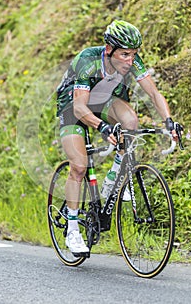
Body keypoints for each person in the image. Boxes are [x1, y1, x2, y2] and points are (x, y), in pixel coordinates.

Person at [56, 20, 180, 256]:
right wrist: (103, 127)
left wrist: (168, 121)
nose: (130, 60)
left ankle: (114, 178)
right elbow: (81, 107)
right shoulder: (88, 60)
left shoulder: (130, 60)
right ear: (109, 49)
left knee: (130, 123)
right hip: (73, 106)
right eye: (125, 54)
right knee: (79, 167)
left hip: (103, 100)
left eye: (134, 54)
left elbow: (153, 93)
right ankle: (73, 229)